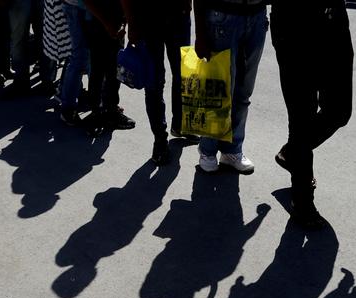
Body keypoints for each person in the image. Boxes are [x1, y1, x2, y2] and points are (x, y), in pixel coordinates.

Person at [270, 0, 356, 229]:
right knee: (300, 115)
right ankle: (302, 201)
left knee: (340, 111)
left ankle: (292, 154)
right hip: (292, 28)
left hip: (334, 24)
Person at [192, 0, 269, 175]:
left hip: (256, 15)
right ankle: (207, 150)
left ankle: (232, 150)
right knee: (218, 91)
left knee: (243, 92)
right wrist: (200, 34)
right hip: (223, 15)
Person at [121, 0, 195, 165]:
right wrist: (132, 23)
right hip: (147, 20)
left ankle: (180, 124)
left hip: (179, 16)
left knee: (183, 74)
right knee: (154, 82)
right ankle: (160, 139)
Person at [82, 0, 135, 132]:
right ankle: (96, 113)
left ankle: (111, 110)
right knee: (97, 71)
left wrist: (123, 24)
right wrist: (107, 24)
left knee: (114, 72)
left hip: (116, 24)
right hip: (97, 25)